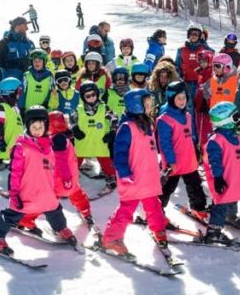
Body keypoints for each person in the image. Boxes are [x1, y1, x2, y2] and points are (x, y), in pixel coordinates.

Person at [0, 106, 77, 253]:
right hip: (26, 191)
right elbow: (15, 173)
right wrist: (14, 194)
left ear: (46, 127)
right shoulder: (21, 147)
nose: (37, 130)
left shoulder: (50, 147)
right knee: (13, 213)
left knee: (54, 209)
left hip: (45, 190)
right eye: (33, 127)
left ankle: (61, 228)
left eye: (41, 127)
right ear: (27, 126)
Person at [98, 89, 168, 257]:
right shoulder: (126, 127)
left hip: (148, 178)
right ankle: (111, 238)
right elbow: (119, 153)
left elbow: (150, 151)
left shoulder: (148, 124)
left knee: (154, 208)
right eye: (147, 103)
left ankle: (159, 231)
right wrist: (124, 173)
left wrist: (159, 169)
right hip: (133, 178)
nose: (150, 106)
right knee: (126, 211)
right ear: (137, 105)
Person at [16, 111, 96, 231]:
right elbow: (61, 161)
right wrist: (66, 178)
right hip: (66, 180)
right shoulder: (59, 139)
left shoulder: (57, 138)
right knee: (76, 195)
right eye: (65, 121)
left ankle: (26, 220)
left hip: (60, 181)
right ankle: (86, 212)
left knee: (46, 202)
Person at [201, 102, 240, 245]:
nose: (239, 119)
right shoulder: (216, 140)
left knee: (233, 198)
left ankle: (231, 217)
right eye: (235, 117)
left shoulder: (235, 137)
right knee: (222, 203)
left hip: (235, 178)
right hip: (223, 179)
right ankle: (213, 232)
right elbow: (214, 161)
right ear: (225, 120)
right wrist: (217, 178)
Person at [157, 81, 208, 219]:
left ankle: (199, 208)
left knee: (195, 186)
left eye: (184, 97)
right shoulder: (165, 119)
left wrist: (196, 152)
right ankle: (156, 212)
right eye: (178, 98)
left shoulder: (187, 115)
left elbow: (189, 137)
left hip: (188, 160)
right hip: (173, 163)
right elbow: (164, 143)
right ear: (171, 98)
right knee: (166, 189)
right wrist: (170, 161)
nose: (182, 101)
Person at [72, 82, 118, 187]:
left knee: (106, 161)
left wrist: (112, 132)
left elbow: (114, 119)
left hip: (100, 141)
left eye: (93, 94)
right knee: (74, 163)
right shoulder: (79, 110)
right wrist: (74, 129)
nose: (91, 98)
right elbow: (71, 121)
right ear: (83, 97)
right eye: (88, 96)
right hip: (83, 142)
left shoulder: (104, 108)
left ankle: (111, 176)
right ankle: (70, 180)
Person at [175, 24, 214, 113]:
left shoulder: (204, 49)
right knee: (188, 107)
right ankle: (190, 126)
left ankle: (198, 126)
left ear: (200, 36)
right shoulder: (181, 49)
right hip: (186, 83)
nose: (194, 36)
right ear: (188, 35)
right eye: (192, 34)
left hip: (200, 84)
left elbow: (211, 57)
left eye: (196, 34)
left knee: (199, 107)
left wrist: (204, 44)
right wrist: (179, 76)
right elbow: (177, 65)